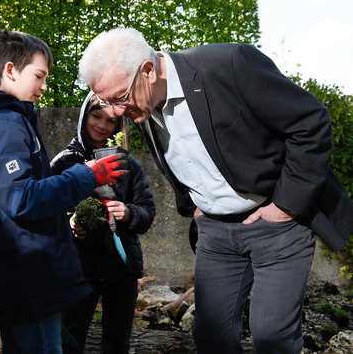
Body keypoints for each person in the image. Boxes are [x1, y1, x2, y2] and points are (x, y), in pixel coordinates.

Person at [77, 27, 353, 354]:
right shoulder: (141, 102)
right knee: (210, 338)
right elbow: (179, 157)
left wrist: (286, 206)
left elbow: (311, 123)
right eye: (107, 102)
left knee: (272, 340)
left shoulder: (229, 64)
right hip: (214, 233)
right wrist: (193, 204)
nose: (118, 113)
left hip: (277, 226)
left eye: (120, 98)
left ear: (148, 71)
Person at [0, 30, 128, 353]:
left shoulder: (12, 120)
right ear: (11, 70)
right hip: (27, 279)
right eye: (39, 76)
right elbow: (22, 198)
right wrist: (86, 176)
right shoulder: (4, 125)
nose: (44, 87)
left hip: (22, 276)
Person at [50, 92, 155, 353]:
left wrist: (129, 212)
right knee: (68, 342)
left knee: (117, 344)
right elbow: (46, 210)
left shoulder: (128, 164)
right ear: (84, 116)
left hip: (122, 267)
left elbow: (147, 210)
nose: (102, 126)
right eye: (96, 116)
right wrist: (69, 222)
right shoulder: (64, 162)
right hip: (77, 267)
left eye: (111, 121)